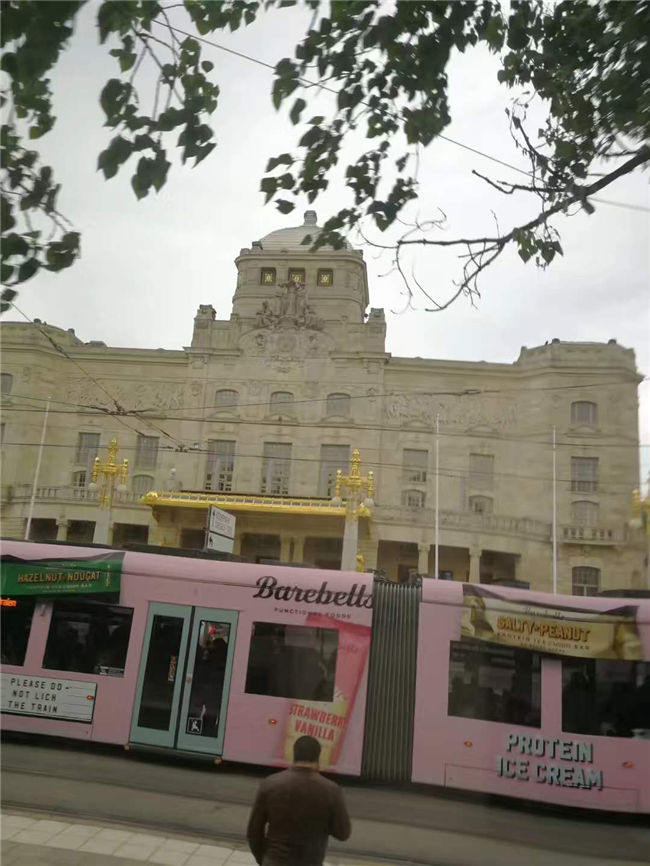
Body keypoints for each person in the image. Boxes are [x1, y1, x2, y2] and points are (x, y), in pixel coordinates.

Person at [247, 735, 351, 866]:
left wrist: (264, 860)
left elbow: (253, 832)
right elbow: (343, 834)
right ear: (318, 758)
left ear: (294, 755)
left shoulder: (269, 784)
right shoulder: (331, 791)